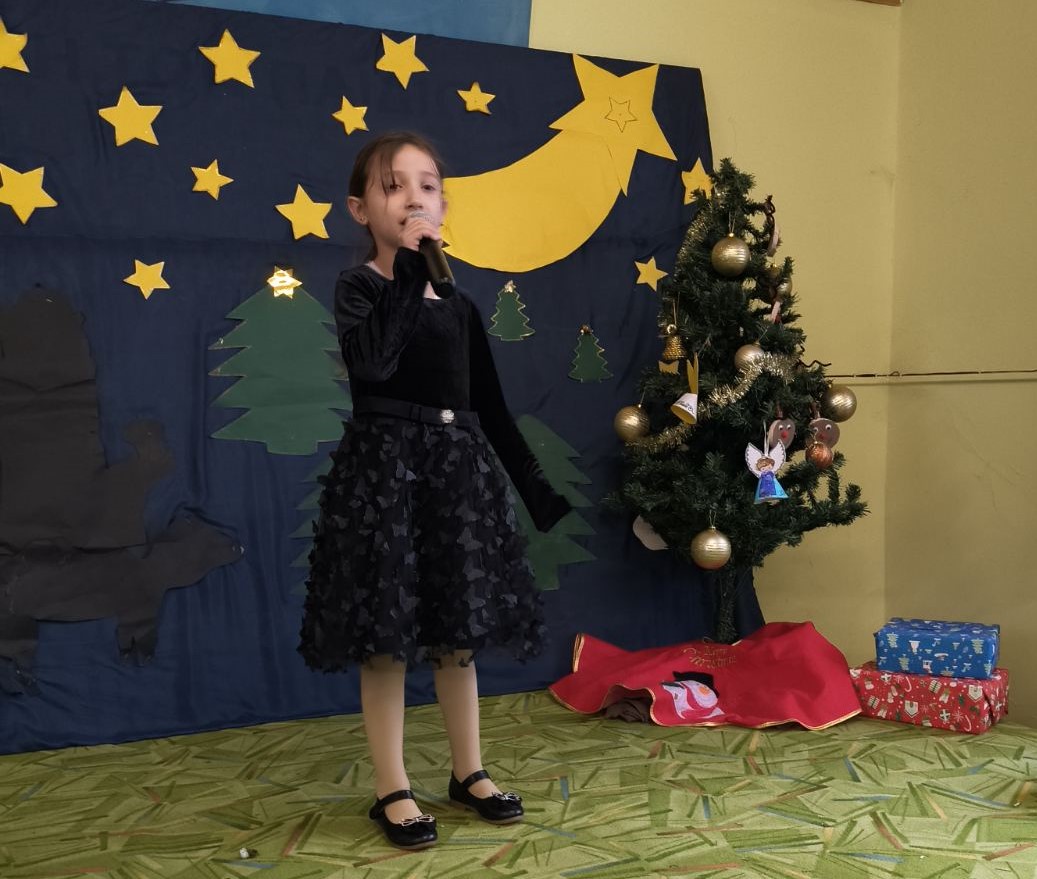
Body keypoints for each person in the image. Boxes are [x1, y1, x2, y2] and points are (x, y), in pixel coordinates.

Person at [298, 132, 571, 851]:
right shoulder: (360, 288)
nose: (413, 198)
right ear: (360, 208)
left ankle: (467, 770)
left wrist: (536, 491)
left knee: (456, 636)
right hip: (386, 478)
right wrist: (406, 275)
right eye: (393, 186)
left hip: (454, 477)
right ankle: (392, 786)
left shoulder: (459, 304)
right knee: (385, 638)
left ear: (444, 205)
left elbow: (490, 406)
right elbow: (373, 362)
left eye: (427, 185)